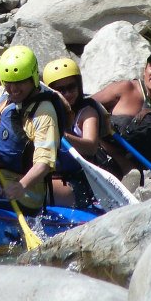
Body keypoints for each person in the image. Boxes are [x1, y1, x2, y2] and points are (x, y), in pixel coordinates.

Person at [0, 44, 64, 214]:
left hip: (22, 193)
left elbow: (44, 163)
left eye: (19, 83)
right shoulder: (4, 94)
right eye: (8, 83)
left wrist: (21, 186)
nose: (13, 89)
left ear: (33, 79)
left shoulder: (44, 113)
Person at [92, 48, 151, 188]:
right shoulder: (124, 89)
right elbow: (84, 107)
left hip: (121, 176)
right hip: (92, 157)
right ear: (145, 70)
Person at [42, 57, 110, 208]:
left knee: (32, 190)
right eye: (61, 90)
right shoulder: (44, 112)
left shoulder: (87, 112)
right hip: (49, 176)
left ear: (79, 86)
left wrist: (61, 135)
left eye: (71, 87)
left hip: (78, 183)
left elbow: (91, 146)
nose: (67, 93)